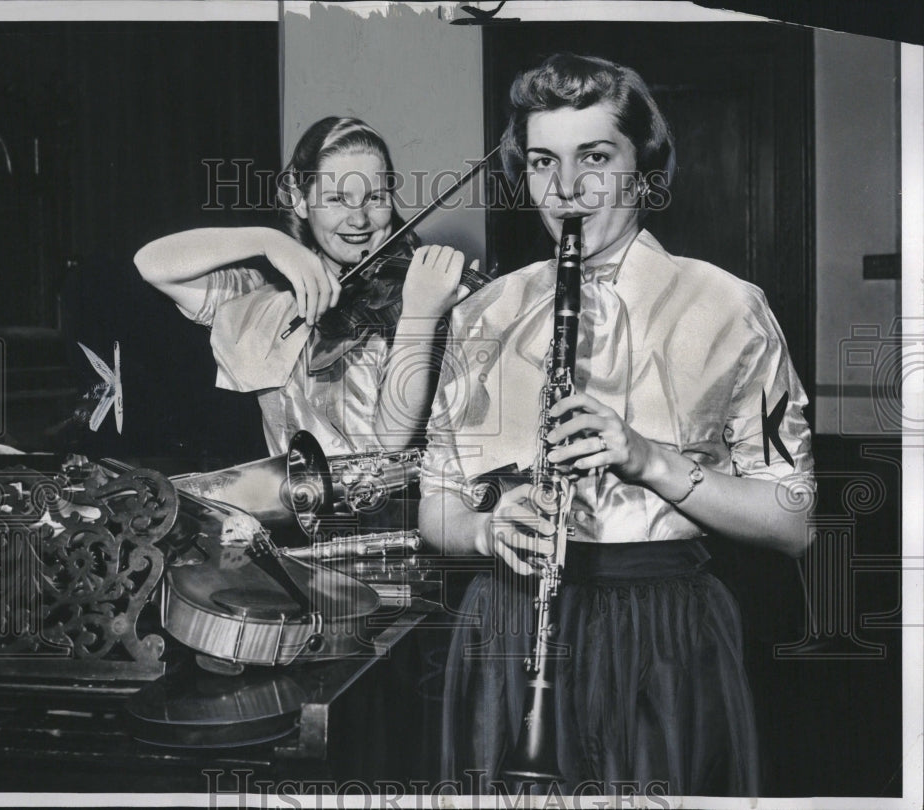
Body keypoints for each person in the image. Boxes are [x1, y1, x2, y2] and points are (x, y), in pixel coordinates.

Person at [418, 53, 815, 797]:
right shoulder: (483, 314)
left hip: (665, 632)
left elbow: (793, 522)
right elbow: (435, 507)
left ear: (643, 168)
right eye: (543, 162)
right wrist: (482, 529)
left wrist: (649, 460)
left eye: (595, 157)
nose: (566, 189)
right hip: (507, 626)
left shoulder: (730, 308)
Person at [135, 116, 468, 456]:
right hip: (290, 506)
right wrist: (266, 241)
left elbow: (390, 441)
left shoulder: (420, 296)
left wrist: (420, 317)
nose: (359, 219)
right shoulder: (265, 299)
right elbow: (152, 264)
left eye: (376, 197)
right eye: (337, 199)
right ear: (301, 200)